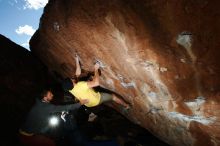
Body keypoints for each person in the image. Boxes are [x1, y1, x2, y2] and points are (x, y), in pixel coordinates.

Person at [19, 88, 88, 146]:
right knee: (51, 143)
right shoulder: (45, 107)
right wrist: (80, 103)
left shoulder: (40, 103)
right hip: (27, 136)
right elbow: (65, 107)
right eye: (50, 94)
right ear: (45, 97)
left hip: (28, 132)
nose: (52, 95)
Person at [62, 54, 129, 108]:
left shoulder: (70, 88)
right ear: (73, 83)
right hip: (96, 100)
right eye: (71, 79)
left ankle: (92, 86)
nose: (72, 78)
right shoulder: (81, 85)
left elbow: (77, 74)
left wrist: (76, 60)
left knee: (89, 81)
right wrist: (96, 68)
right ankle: (126, 106)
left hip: (88, 103)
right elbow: (96, 83)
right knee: (113, 97)